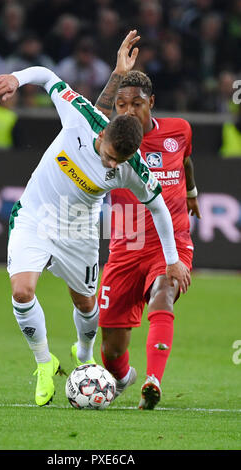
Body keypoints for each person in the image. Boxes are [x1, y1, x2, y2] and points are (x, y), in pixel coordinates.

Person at [0, 31, 190, 407]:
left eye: (118, 163)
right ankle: (45, 363)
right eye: (110, 157)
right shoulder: (82, 116)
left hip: (79, 229)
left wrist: (173, 259)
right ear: (105, 132)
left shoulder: (134, 168)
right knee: (22, 290)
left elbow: (159, 208)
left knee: (85, 304)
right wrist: (17, 77)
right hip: (37, 214)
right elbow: (48, 76)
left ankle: (83, 355)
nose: (111, 167)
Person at [95, 30, 201, 409]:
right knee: (111, 346)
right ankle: (124, 377)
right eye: (120, 105)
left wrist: (191, 192)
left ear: (151, 103)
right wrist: (115, 74)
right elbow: (92, 113)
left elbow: (186, 159)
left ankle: (153, 380)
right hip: (126, 246)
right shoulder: (113, 138)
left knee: (164, 291)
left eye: (135, 104)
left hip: (169, 241)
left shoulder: (179, 130)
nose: (127, 111)